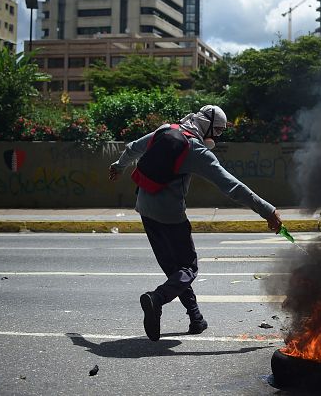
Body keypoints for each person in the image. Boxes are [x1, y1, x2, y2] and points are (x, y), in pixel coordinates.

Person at [108, 105, 284, 341]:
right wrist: (268, 211)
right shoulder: (196, 150)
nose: (217, 137)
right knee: (188, 269)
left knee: (174, 269)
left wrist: (118, 167)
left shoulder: (165, 129)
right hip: (171, 216)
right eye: (218, 131)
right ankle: (157, 298)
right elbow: (233, 187)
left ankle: (195, 318)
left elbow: (132, 149)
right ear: (207, 126)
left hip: (144, 208)